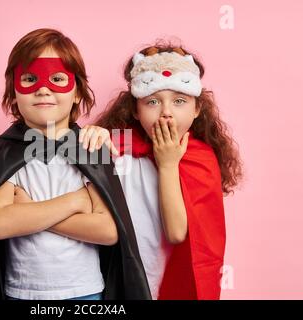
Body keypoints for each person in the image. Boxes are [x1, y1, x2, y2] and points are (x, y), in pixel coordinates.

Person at [0, 28, 151, 300]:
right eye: (29, 79)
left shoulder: (90, 148)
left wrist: (29, 213)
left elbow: (108, 231)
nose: (43, 89)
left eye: (57, 79)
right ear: (14, 92)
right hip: (21, 292)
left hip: (84, 293)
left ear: (77, 92)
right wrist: (76, 201)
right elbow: (0, 224)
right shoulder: (4, 151)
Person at [80, 41, 243, 299]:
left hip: (169, 283)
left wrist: (167, 165)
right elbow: (62, 158)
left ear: (197, 108)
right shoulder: (117, 146)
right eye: (153, 101)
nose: (166, 113)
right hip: (120, 281)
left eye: (179, 101)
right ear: (135, 109)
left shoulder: (200, 158)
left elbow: (177, 233)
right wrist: (88, 137)